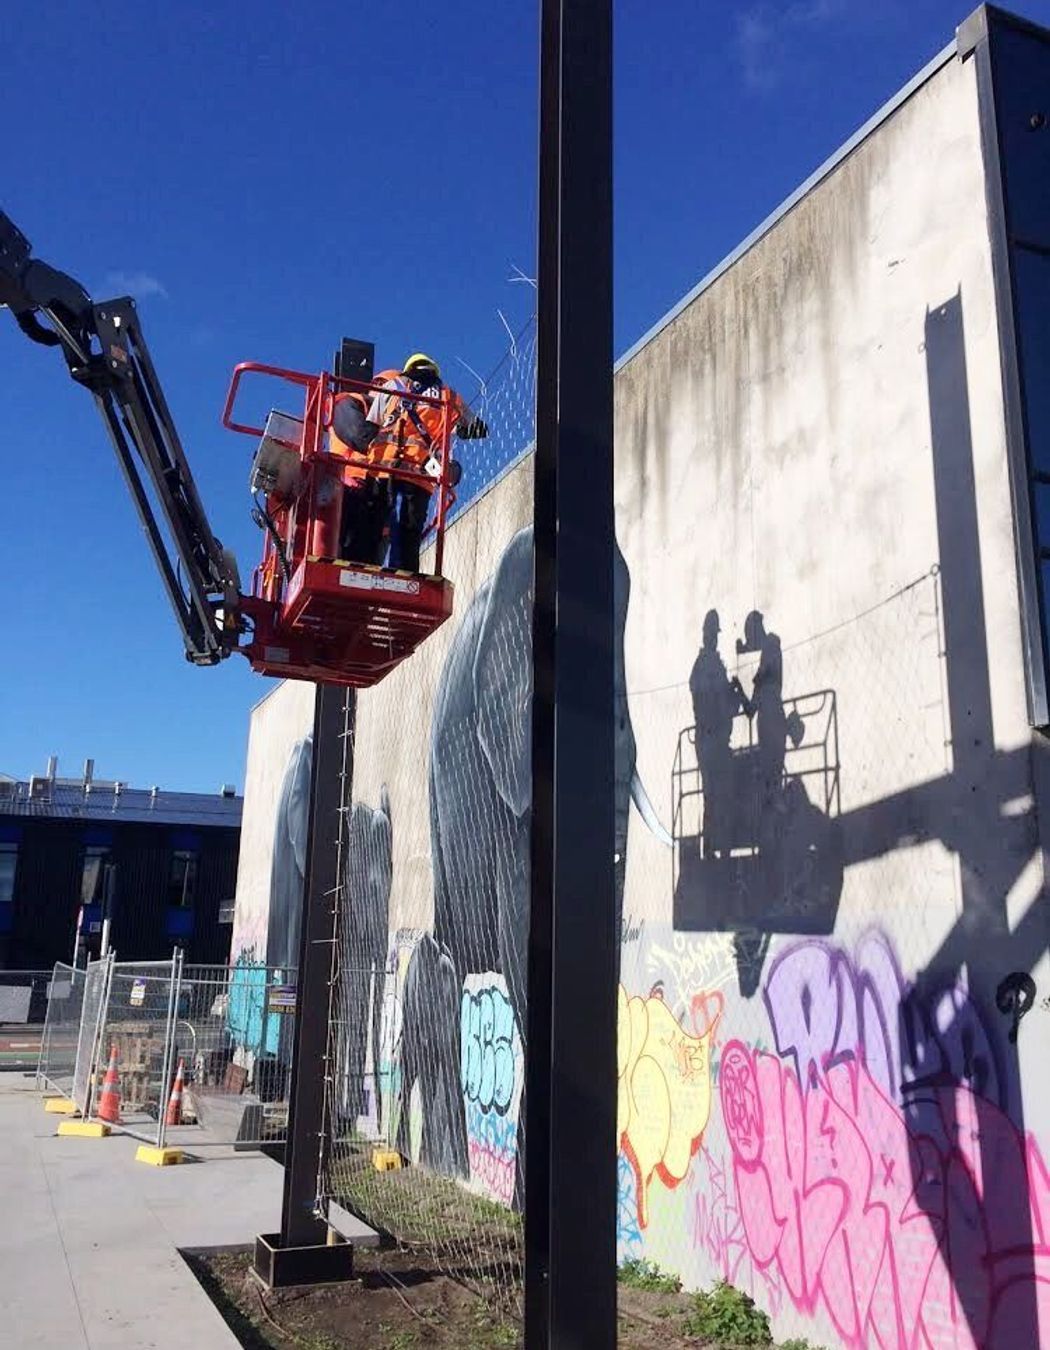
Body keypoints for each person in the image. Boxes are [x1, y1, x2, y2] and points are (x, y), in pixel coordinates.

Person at [364, 354, 488, 572]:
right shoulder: (449, 396)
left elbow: (370, 428)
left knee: (371, 529)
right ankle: (404, 580)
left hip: (381, 470)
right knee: (408, 536)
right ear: (435, 371)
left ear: (408, 368)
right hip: (417, 475)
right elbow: (478, 429)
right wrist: (458, 428)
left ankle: (363, 576)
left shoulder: (392, 386)